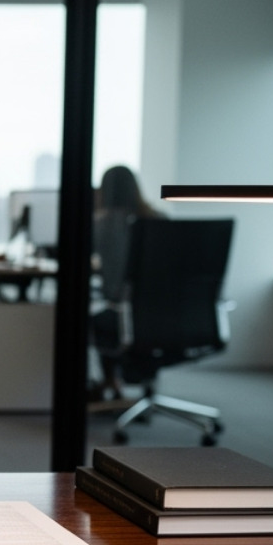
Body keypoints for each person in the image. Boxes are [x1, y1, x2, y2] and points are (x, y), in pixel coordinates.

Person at [90, 165, 163, 400]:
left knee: (98, 317)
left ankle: (111, 380)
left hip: (121, 314)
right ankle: (144, 383)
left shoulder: (100, 224)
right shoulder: (159, 219)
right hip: (164, 315)